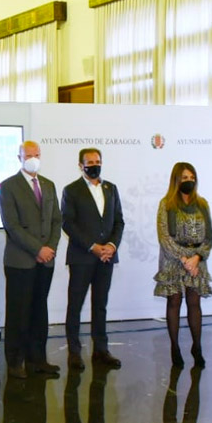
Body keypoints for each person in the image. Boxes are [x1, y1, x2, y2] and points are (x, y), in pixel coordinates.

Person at [0, 141, 63, 380]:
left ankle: (37, 360)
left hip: (46, 261)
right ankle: (15, 362)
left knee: (39, 310)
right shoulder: (8, 186)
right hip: (20, 261)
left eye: (36, 155)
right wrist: (38, 249)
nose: (33, 159)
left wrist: (50, 248)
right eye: (28, 155)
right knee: (18, 312)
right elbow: (12, 226)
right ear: (19, 157)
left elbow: (57, 220)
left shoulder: (48, 185)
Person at [60, 148, 125, 370]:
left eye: (97, 161)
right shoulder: (71, 190)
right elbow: (68, 223)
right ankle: (74, 352)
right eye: (89, 162)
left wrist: (111, 246)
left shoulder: (111, 188)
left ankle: (101, 350)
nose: (94, 165)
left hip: (106, 258)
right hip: (81, 258)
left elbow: (119, 222)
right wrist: (92, 246)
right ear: (81, 165)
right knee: (75, 305)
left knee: (100, 306)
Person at [154, 162, 212, 369]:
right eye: (184, 178)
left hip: (196, 260)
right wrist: (183, 259)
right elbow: (164, 236)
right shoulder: (166, 204)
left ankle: (197, 347)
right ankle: (175, 347)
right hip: (174, 260)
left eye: (191, 177)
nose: (189, 181)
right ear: (176, 181)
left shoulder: (203, 204)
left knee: (194, 303)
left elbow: (209, 237)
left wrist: (197, 258)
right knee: (174, 302)